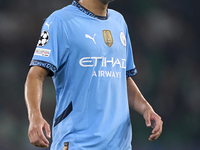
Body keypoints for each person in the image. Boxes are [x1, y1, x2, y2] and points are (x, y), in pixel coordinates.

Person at [24, 0, 163, 149]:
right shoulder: (60, 21)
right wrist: (34, 116)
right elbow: (35, 75)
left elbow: (122, 78)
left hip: (119, 144)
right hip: (78, 143)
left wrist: (146, 108)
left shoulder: (119, 21)